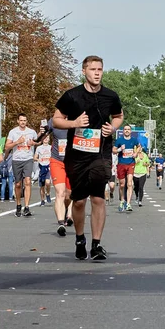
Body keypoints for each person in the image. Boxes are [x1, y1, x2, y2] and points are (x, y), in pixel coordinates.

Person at [53, 55, 123, 260]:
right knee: (79, 201)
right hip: (77, 155)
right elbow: (56, 120)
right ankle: (80, 238)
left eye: (100, 69)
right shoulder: (72, 95)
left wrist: (113, 128)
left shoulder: (110, 96)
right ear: (84, 71)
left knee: (98, 198)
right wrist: (74, 123)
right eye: (93, 69)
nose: (97, 73)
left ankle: (97, 244)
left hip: (101, 153)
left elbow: (119, 115)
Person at [5, 113, 38, 217]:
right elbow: (7, 146)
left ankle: (27, 207)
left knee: (27, 181)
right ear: (18, 121)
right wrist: (17, 142)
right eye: (21, 120)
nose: (23, 122)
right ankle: (19, 204)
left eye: (25, 120)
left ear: (26, 122)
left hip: (28, 159)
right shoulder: (13, 132)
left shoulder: (31, 132)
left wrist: (33, 143)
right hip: (17, 160)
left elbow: (38, 142)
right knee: (18, 184)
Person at [46, 118, 74, 237]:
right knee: (60, 192)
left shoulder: (77, 120)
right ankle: (61, 223)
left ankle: (67, 210)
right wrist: (37, 137)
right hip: (57, 161)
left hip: (72, 162)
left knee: (69, 195)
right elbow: (41, 136)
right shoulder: (54, 121)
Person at [114, 125, 139, 212]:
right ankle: (122, 200)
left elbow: (139, 146)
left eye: (128, 129)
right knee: (122, 184)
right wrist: (120, 149)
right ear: (123, 131)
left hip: (130, 163)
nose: (127, 131)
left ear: (131, 131)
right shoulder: (119, 140)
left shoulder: (134, 140)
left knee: (129, 184)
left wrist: (136, 153)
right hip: (121, 164)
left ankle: (128, 203)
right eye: (125, 129)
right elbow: (113, 150)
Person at [34, 136, 52, 207]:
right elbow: (35, 157)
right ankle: (42, 200)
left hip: (48, 166)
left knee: (48, 182)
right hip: (41, 167)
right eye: (44, 138)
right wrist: (38, 160)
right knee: (42, 185)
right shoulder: (39, 148)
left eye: (47, 138)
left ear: (49, 139)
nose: (46, 139)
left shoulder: (51, 147)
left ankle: (48, 193)